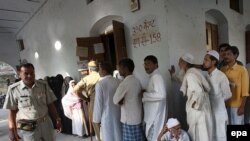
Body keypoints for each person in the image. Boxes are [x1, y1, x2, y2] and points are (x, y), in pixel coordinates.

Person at [3, 63, 62, 141]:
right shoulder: (14, 89)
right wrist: (11, 130)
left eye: (32, 73)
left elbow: (50, 104)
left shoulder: (43, 85)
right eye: (26, 73)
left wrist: (57, 119)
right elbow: (12, 112)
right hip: (28, 126)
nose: (29, 76)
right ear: (19, 74)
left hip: (46, 123)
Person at [179, 53, 213, 141]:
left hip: (197, 110)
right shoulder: (194, 72)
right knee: (203, 133)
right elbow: (183, 80)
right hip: (202, 108)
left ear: (185, 64)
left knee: (198, 134)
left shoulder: (190, 75)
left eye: (180, 62)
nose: (179, 64)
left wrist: (195, 105)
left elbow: (198, 91)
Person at [203, 50, 232, 141]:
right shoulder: (205, 76)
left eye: (206, 60)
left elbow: (228, 94)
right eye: (204, 59)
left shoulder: (221, 76)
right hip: (208, 111)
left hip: (219, 113)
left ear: (214, 61)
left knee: (220, 136)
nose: (204, 62)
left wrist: (216, 99)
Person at [113, 58, 144, 141]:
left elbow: (115, 100)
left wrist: (121, 101)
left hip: (129, 119)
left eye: (120, 68)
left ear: (126, 69)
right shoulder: (137, 81)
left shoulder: (125, 83)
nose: (118, 70)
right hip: (138, 117)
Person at [93, 62, 122, 141]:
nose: (98, 71)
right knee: (119, 135)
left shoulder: (100, 84)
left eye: (99, 69)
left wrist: (96, 119)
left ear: (104, 71)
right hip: (120, 114)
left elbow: (98, 104)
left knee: (109, 137)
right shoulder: (119, 81)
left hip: (107, 116)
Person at [221, 46, 249, 125]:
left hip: (237, 105)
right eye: (225, 54)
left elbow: (245, 91)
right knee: (227, 126)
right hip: (225, 104)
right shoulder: (223, 69)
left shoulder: (242, 70)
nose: (226, 56)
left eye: (229, 54)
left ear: (235, 55)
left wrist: (242, 106)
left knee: (237, 129)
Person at [73, 60, 101, 140]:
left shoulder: (86, 79)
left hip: (93, 102)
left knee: (96, 124)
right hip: (105, 102)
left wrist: (85, 99)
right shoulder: (102, 76)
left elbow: (75, 90)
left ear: (90, 69)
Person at [142, 55, 167, 141]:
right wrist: (146, 92)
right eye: (144, 64)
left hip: (155, 116)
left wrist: (144, 95)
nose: (146, 66)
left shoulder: (156, 77)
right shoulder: (153, 76)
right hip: (153, 115)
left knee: (154, 138)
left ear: (156, 65)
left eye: (148, 63)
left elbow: (162, 95)